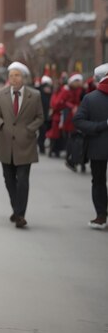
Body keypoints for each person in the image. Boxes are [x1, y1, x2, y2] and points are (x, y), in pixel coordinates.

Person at [0, 62, 44, 229]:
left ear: (24, 78)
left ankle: (20, 214)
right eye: (11, 75)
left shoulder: (34, 96)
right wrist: (0, 126)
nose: (13, 79)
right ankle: (16, 207)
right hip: (6, 144)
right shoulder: (1, 95)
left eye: (17, 75)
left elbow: (40, 117)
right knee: (9, 180)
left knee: (22, 180)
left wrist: (30, 129)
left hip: (25, 144)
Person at [73, 64, 108, 229]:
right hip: (98, 147)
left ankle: (101, 216)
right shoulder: (90, 97)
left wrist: (99, 126)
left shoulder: (90, 98)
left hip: (97, 147)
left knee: (98, 181)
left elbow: (78, 121)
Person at [37, 74, 53, 154]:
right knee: (42, 132)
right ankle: (41, 146)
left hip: (48, 116)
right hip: (41, 116)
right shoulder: (39, 94)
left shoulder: (51, 94)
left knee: (47, 132)